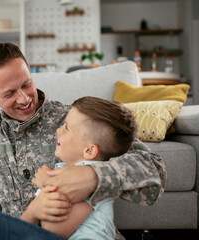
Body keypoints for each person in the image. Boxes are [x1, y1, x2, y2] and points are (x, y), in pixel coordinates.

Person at [0, 43, 166, 236]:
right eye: (9, 93)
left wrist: (95, 177)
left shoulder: (75, 120)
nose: (25, 98)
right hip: (14, 232)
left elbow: (153, 169)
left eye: (26, 84)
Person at [31, 96, 138, 239]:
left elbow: (53, 230)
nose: (58, 130)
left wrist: (46, 184)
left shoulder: (88, 180)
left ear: (89, 151)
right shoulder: (71, 171)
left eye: (66, 128)